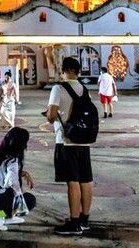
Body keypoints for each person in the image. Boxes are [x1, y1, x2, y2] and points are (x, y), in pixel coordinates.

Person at [46, 56, 93, 236]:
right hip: (84, 140)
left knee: (72, 181)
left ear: (63, 70)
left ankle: (74, 223)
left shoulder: (58, 88)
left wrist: (51, 116)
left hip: (66, 140)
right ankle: (84, 219)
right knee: (85, 180)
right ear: (79, 72)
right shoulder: (85, 89)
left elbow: (51, 115)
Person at [0, 126, 36, 231]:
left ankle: (7, 217)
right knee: (29, 200)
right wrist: (19, 198)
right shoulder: (12, 158)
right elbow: (12, 181)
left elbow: (1, 173)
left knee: (13, 195)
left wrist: (24, 173)